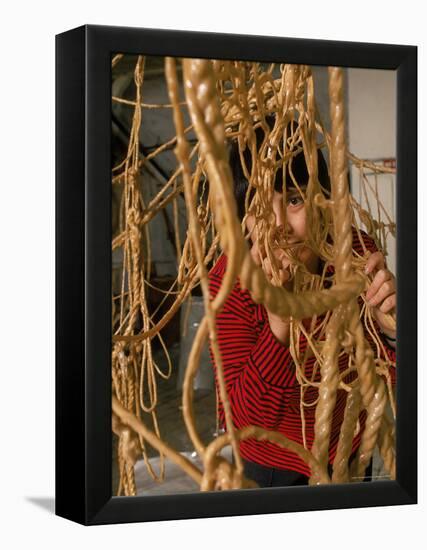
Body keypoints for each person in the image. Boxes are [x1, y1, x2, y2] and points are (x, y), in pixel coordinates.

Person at [208, 122, 396, 488]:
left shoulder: (356, 254)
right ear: (244, 219)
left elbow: (389, 377)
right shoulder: (229, 283)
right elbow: (244, 423)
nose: (280, 226)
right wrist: (279, 320)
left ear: (323, 199)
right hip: (273, 467)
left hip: (351, 449)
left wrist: (392, 332)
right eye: (261, 207)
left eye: (294, 199)